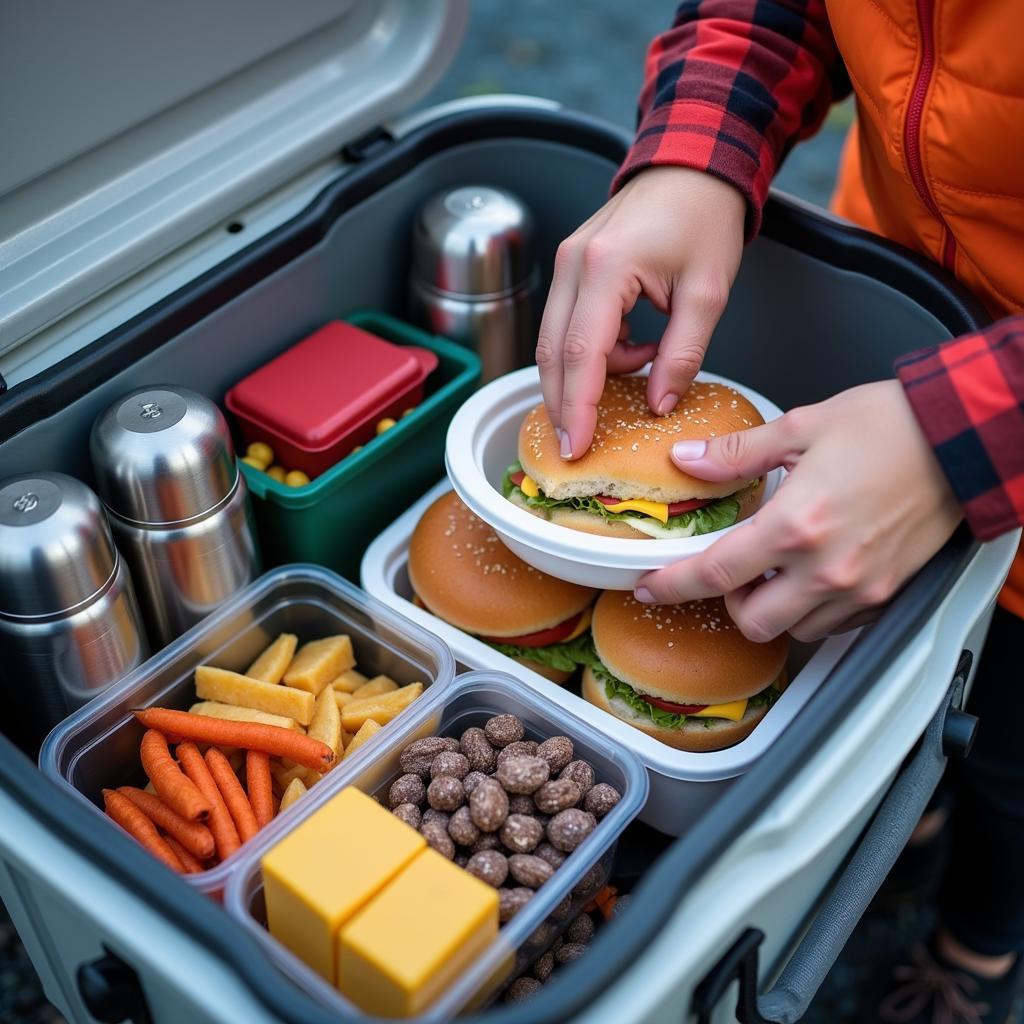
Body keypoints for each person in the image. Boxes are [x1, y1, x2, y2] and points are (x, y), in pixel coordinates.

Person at [535, 3, 1024, 1022]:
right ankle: (904, 825)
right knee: (892, 713)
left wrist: (965, 436)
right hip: (881, 362)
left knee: (1010, 766)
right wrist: (697, 153)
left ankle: (979, 941)